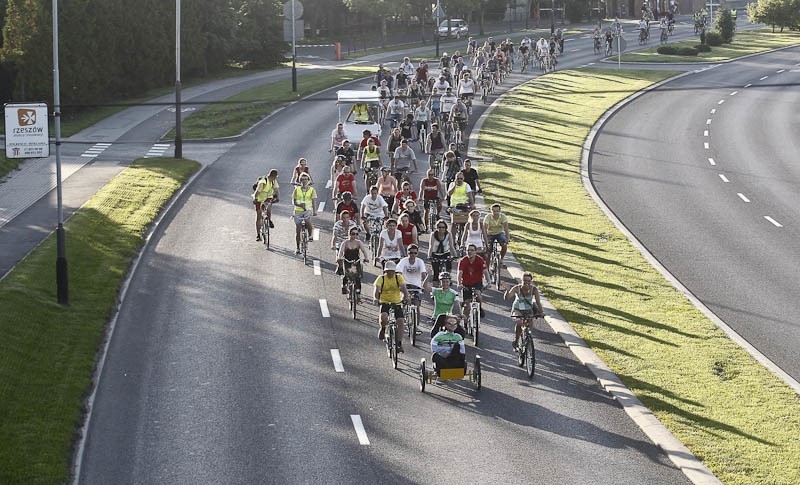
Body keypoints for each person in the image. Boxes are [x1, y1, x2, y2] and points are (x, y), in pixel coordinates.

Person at [373, 261, 410, 352]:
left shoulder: (398, 278)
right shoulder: (381, 278)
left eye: (392, 271)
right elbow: (377, 289)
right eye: (388, 271)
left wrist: (406, 297)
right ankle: (383, 328)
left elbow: (404, 288)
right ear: (385, 271)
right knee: (384, 318)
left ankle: (399, 343)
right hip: (385, 302)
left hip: (396, 302)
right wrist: (376, 298)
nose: (390, 273)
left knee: (400, 321)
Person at [503, 271, 544, 350]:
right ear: (522, 280)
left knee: (529, 326)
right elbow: (507, 298)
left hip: (528, 310)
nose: (527, 283)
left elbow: (538, 302)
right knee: (519, 322)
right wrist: (507, 290)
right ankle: (516, 340)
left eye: (529, 281)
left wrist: (541, 312)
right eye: (525, 281)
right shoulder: (516, 288)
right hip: (517, 309)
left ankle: (527, 340)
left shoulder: (534, 289)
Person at [458, 243, 491, 328]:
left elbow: (485, 272)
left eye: (472, 250)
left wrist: (489, 282)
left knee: (477, 293)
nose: (470, 252)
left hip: (477, 283)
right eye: (468, 250)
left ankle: (479, 308)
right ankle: (465, 324)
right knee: (467, 306)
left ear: (476, 252)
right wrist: (459, 283)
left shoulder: (480, 260)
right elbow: (460, 273)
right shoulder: (463, 261)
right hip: (466, 284)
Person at [397, 242, 427, 319]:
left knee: (417, 306)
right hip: (405, 285)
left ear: (417, 253)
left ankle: (416, 326)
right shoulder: (403, 261)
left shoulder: (420, 261)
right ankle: (402, 317)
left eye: (415, 253)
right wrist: (399, 284)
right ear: (407, 253)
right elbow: (399, 273)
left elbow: (423, 274)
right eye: (411, 253)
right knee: (405, 300)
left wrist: (424, 284)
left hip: (416, 286)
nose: (412, 255)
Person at [338, 227, 370, 298]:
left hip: (356, 261)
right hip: (347, 261)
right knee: (346, 275)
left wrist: (366, 258)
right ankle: (344, 285)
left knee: (358, 277)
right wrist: (339, 258)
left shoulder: (359, 242)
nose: (354, 236)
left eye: (356, 234)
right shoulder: (345, 243)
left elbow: (364, 251)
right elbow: (340, 252)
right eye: (353, 234)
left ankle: (358, 293)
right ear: (349, 234)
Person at [291, 173, 317, 254]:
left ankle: (310, 236)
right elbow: (294, 201)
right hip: (298, 210)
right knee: (298, 229)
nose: (304, 181)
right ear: (300, 181)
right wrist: (300, 205)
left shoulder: (312, 190)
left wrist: (315, 211)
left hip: (307, 210)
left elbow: (313, 201)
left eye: (306, 179)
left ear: (308, 180)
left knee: (308, 221)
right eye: (302, 180)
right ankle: (298, 248)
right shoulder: (297, 190)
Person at [252, 169, 279, 241]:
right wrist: (255, 199)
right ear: (274, 176)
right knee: (259, 216)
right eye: (276, 177)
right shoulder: (263, 182)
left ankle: (269, 220)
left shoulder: (273, 181)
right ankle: (258, 235)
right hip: (259, 198)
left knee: (269, 207)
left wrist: (277, 197)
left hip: (268, 197)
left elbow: (276, 190)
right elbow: (257, 192)